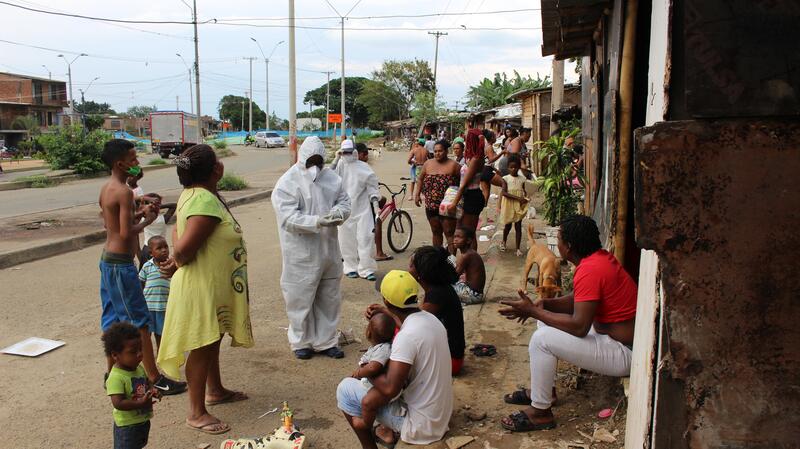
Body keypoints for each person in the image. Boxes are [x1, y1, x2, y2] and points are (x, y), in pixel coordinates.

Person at [498, 215, 637, 432]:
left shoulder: (590, 269)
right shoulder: (597, 259)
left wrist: (534, 311)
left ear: (568, 247)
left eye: (559, 238)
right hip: (612, 336)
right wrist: (544, 304)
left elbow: (579, 327)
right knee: (544, 323)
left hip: (625, 353)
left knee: (541, 339)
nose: (557, 243)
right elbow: (579, 299)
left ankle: (541, 412)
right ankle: (544, 392)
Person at [157, 144, 254, 435]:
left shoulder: (195, 195)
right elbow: (184, 248)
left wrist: (177, 257)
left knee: (212, 339)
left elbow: (177, 233)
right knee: (202, 346)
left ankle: (216, 390)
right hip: (201, 286)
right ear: (216, 170)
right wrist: (177, 259)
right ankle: (196, 412)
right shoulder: (204, 201)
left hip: (210, 284)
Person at [98, 139, 185, 396]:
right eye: (133, 159)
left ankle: (112, 371)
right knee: (140, 322)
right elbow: (126, 233)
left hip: (108, 261)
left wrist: (138, 211)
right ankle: (154, 377)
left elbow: (111, 224)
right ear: (120, 163)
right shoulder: (124, 192)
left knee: (113, 318)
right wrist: (147, 219)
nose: (137, 163)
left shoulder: (108, 188)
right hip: (121, 264)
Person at [338, 270, 453, 448]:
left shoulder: (405, 337)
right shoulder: (431, 320)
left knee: (345, 389)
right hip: (439, 416)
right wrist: (387, 312)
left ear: (386, 300)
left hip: (420, 426)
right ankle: (384, 433)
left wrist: (366, 368)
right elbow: (409, 328)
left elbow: (390, 388)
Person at [272, 136, 351, 360]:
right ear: (302, 158)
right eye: (311, 161)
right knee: (300, 297)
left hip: (329, 249)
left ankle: (326, 341)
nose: (315, 166)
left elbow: (345, 202)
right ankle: (301, 341)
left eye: (319, 161)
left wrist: (339, 213)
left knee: (329, 296)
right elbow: (287, 218)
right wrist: (317, 221)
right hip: (301, 252)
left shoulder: (332, 179)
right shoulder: (287, 183)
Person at [409, 245, 467, 374]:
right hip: (451, 356)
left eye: (411, 266)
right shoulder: (438, 288)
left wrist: (387, 312)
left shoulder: (437, 295)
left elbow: (414, 326)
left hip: (451, 362)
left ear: (421, 273)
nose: (408, 269)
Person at [103, 322, 161, 449]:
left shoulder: (137, 367)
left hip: (142, 421)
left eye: (140, 349)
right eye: (133, 352)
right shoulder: (116, 377)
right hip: (127, 427)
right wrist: (141, 403)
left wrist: (152, 390)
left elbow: (146, 383)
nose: (140, 354)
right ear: (115, 355)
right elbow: (118, 403)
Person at [333, 141, 380, 281]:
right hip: (345, 209)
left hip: (362, 209)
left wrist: (376, 208)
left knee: (365, 238)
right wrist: (336, 159)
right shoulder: (339, 166)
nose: (347, 155)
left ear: (354, 152)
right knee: (346, 240)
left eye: (349, 152)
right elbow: (327, 178)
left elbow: (372, 188)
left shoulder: (364, 167)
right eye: (344, 152)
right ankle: (350, 267)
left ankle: (366, 269)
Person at [350, 313, 396, 432]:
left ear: (368, 333)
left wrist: (359, 373)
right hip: (379, 383)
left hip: (380, 387)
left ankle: (366, 423)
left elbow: (373, 368)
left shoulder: (383, 349)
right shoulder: (380, 347)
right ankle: (385, 429)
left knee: (368, 403)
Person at [415, 139, 461, 254]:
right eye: (435, 151)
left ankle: (451, 262)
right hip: (431, 205)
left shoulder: (455, 166)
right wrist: (417, 194)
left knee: (449, 232)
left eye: (440, 151)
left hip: (447, 206)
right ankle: (438, 259)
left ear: (446, 151)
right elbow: (420, 178)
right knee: (436, 231)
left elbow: (463, 183)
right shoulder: (428, 164)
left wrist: (458, 201)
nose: (437, 154)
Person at [447, 124, 485, 250]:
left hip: (472, 196)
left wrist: (454, 203)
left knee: (469, 233)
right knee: (460, 230)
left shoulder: (475, 160)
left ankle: (471, 260)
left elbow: (464, 184)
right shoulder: (472, 158)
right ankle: (460, 259)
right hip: (468, 196)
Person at [138, 236, 171, 352]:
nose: (164, 250)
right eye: (159, 248)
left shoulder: (171, 266)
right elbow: (141, 283)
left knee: (161, 334)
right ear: (151, 253)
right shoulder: (147, 266)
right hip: (148, 307)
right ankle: (146, 356)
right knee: (146, 334)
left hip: (163, 307)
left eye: (166, 247)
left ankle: (161, 355)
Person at [500, 155, 529, 255]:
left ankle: (518, 248)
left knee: (518, 226)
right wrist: (518, 198)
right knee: (507, 225)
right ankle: (503, 241)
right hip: (509, 204)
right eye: (511, 167)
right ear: (508, 167)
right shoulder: (505, 179)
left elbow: (524, 190)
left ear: (519, 167)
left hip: (518, 205)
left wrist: (525, 197)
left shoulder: (522, 179)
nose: (513, 169)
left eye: (516, 167)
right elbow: (504, 193)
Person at [452, 227, 486, 306]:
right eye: (455, 237)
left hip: (473, 295)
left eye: (459, 237)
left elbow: (453, 277)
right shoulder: (469, 253)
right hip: (476, 293)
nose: (455, 240)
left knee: (442, 288)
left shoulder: (466, 256)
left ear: (468, 240)